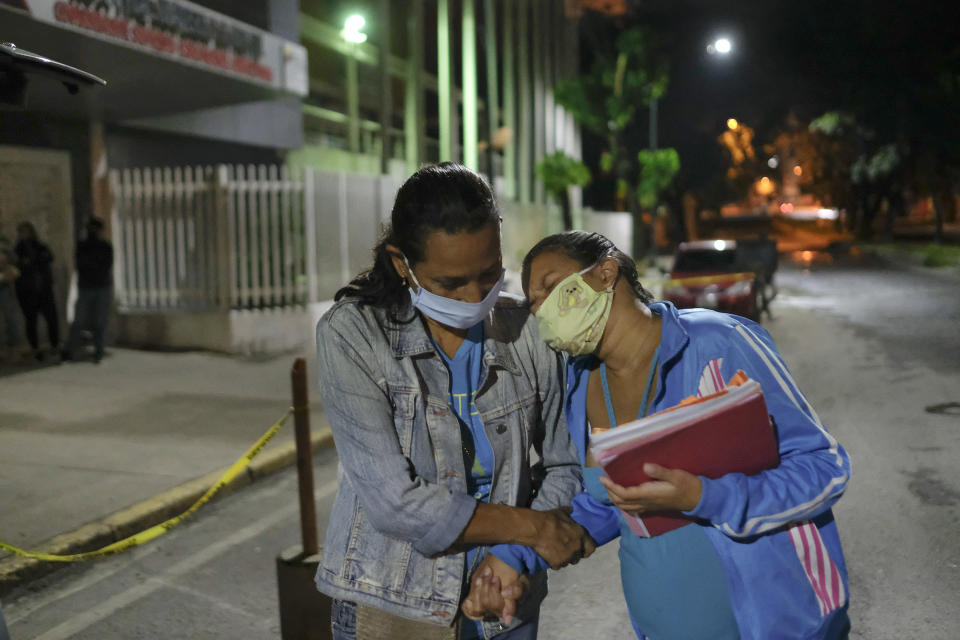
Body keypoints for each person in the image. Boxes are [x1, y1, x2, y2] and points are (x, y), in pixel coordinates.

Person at [464, 230, 852, 640]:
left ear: (606, 272)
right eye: (533, 300)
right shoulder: (581, 385)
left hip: (775, 626)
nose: (541, 308)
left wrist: (706, 497)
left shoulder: (716, 344)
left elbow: (825, 467)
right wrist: (512, 556)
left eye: (550, 287)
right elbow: (606, 504)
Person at [314, 163, 592, 640]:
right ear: (403, 264)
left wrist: (511, 558)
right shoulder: (353, 335)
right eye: (449, 283)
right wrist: (530, 529)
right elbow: (394, 503)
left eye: (488, 274)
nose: (473, 296)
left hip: (505, 598)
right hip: (394, 607)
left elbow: (568, 465)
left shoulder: (530, 335)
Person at [62, 217, 113, 363]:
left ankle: (98, 350)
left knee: (99, 321)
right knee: (79, 321)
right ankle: (70, 350)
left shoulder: (105, 246)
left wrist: (93, 267)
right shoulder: (83, 246)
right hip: (86, 287)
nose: (93, 232)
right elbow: (81, 264)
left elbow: (106, 265)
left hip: (101, 286)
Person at [14, 221, 60, 360]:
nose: (24, 234)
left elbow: (48, 257)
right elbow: (19, 266)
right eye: (21, 232)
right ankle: (35, 348)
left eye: (26, 231)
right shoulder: (18, 249)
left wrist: (33, 259)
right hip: (28, 292)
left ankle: (55, 346)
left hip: (43, 289)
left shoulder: (39, 246)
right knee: (31, 320)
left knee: (51, 318)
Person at [0, 238, 20, 361]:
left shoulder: (4, 242)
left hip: (4, 286)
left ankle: (12, 350)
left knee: (10, 318)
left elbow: (13, 259)